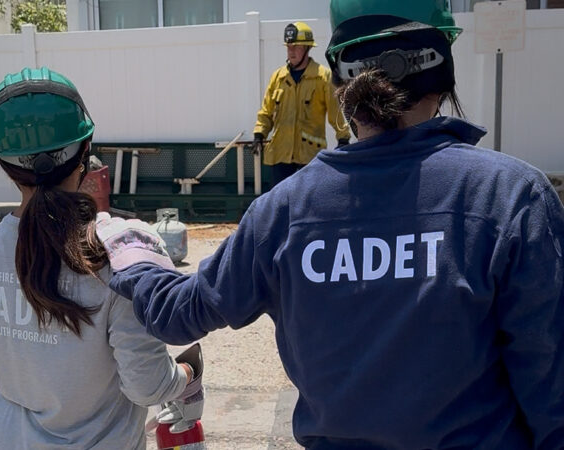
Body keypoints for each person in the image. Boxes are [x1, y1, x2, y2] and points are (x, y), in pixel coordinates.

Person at [98, 0, 564, 447]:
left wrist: (132, 252)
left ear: (342, 84)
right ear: (441, 70)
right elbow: (551, 385)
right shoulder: (510, 197)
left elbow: (179, 313)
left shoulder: (281, 212)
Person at [0, 67, 203, 449]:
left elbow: (0, 331)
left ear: (3, 162)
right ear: (85, 149)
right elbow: (148, 386)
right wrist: (188, 372)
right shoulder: (121, 255)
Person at [253, 21, 351, 188]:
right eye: (289, 47)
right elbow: (266, 111)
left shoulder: (322, 77)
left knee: (308, 204)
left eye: (296, 47)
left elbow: (335, 112)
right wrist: (259, 134)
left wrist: (343, 138)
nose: (291, 51)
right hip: (280, 155)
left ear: (307, 48)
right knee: (280, 204)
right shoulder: (278, 77)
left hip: (309, 156)